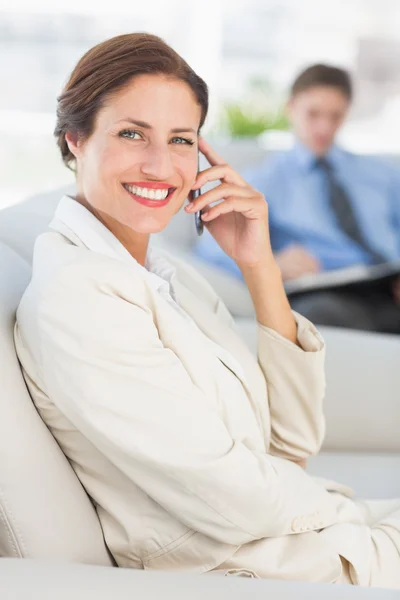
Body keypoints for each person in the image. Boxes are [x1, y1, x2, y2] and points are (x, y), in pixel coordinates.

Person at [15, 33, 400, 588]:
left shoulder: (166, 276)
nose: (159, 165)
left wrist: (258, 264)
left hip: (301, 541)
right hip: (243, 568)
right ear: (75, 138)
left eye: (180, 139)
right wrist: (335, 511)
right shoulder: (80, 295)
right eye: (131, 134)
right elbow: (236, 498)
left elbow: (290, 445)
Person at [194, 64, 400, 333]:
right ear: (291, 107)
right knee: (317, 317)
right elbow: (210, 246)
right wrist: (273, 261)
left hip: (390, 288)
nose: (324, 127)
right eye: (313, 114)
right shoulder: (264, 181)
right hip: (328, 295)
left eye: (335, 116)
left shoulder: (381, 174)